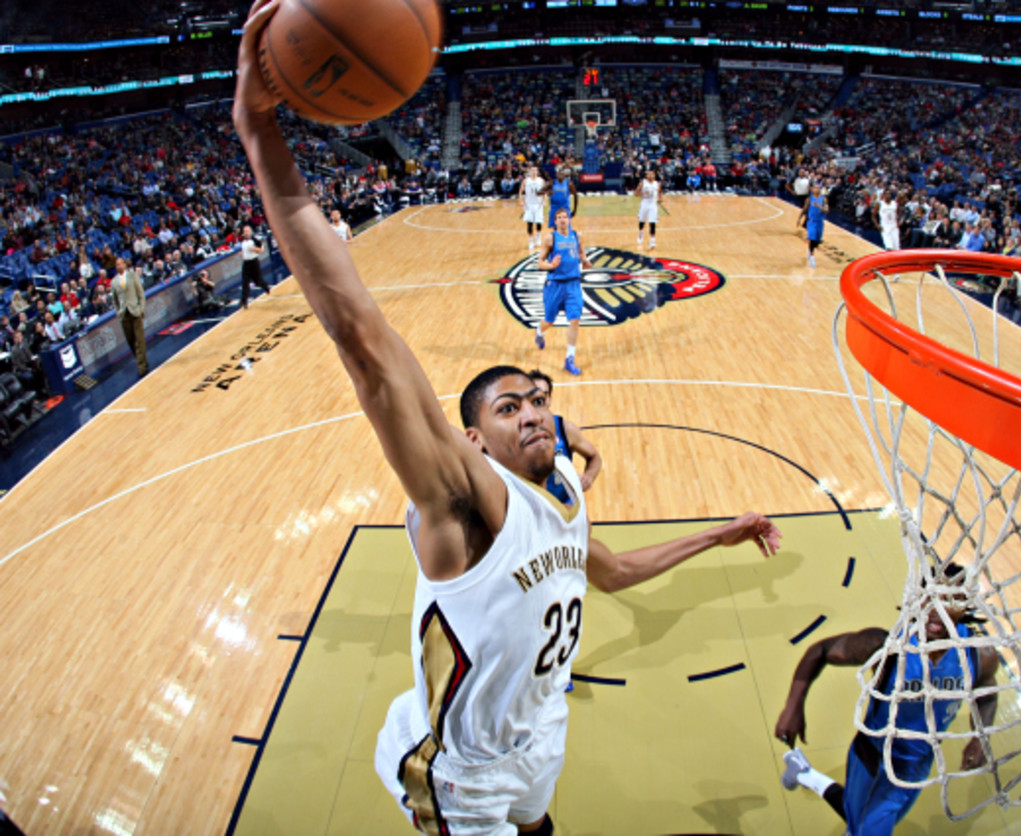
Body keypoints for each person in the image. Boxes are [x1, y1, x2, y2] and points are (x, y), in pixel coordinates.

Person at [233, 8, 782, 834]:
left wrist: (722, 533)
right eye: (507, 407)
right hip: (463, 774)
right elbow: (363, 340)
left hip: (538, 737)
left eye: (537, 399)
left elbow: (612, 573)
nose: (533, 414)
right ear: (468, 441)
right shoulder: (463, 502)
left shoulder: (559, 484)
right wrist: (258, 131)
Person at [775, 563, 999, 836]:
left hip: (919, 764)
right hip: (875, 764)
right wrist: (793, 706)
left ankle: (802, 772)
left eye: (951, 601)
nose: (936, 609)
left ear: (966, 608)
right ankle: (805, 775)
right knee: (869, 827)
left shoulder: (979, 655)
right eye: (932, 596)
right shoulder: (887, 647)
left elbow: (987, 691)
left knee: (866, 819)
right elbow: (819, 651)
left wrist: (981, 735)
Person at [527, 369, 602, 504]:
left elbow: (594, 457)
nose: (538, 398)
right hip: (532, 507)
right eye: (532, 394)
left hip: (565, 505)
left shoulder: (565, 429)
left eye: (542, 394)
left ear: (550, 399)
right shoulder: (514, 433)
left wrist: (588, 477)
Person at [536, 207, 592, 376]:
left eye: (564, 217)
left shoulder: (577, 236)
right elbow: (540, 262)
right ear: (555, 221)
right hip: (555, 285)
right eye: (559, 217)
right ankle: (539, 331)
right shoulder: (550, 239)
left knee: (575, 320)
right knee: (549, 320)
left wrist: (586, 261)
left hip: (573, 283)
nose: (562, 220)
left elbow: (581, 254)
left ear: (569, 219)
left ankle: (570, 359)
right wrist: (551, 266)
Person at [110, 257, 148, 376]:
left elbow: (141, 293)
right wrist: (118, 312)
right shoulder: (114, 281)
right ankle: (141, 361)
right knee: (131, 341)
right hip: (124, 314)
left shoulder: (133, 276)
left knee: (139, 340)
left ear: (125, 264)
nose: (119, 266)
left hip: (135, 311)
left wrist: (141, 308)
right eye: (117, 265)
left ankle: (141, 366)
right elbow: (115, 300)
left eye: (120, 263)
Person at [239, 225, 271, 309]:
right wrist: (242, 254)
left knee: (257, 281)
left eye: (248, 231)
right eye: (245, 231)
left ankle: (265, 287)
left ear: (251, 231)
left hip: (254, 262)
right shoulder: (243, 241)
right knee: (245, 282)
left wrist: (254, 249)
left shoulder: (254, 240)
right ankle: (244, 301)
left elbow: (261, 250)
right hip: (246, 263)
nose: (246, 233)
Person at [634, 169, 663, 250]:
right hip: (644, 204)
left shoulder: (657, 184)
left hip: (653, 205)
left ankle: (652, 242)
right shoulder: (642, 183)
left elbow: (660, 192)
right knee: (642, 222)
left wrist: (661, 198)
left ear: (654, 175)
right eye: (649, 174)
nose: (650, 175)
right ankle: (640, 233)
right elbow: (635, 194)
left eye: (652, 174)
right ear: (646, 176)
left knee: (652, 223)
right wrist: (642, 193)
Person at [521, 165, 548, 251]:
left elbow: (545, 191)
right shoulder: (526, 181)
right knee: (529, 223)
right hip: (529, 204)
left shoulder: (541, 181)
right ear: (530, 171)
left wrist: (545, 200)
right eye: (532, 170)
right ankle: (531, 241)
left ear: (537, 171)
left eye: (535, 170)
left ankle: (538, 236)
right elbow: (521, 190)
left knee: (538, 222)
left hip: (538, 204)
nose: (533, 172)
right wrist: (521, 200)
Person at [802, 184, 828, 269]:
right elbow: (805, 209)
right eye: (814, 188)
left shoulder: (824, 199)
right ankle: (812, 260)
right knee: (812, 239)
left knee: (817, 242)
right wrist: (799, 218)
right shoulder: (809, 199)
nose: (816, 189)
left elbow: (827, 210)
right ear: (812, 189)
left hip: (820, 222)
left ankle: (809, 250)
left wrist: (820, 206)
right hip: (811, 222)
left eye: (817, 188)